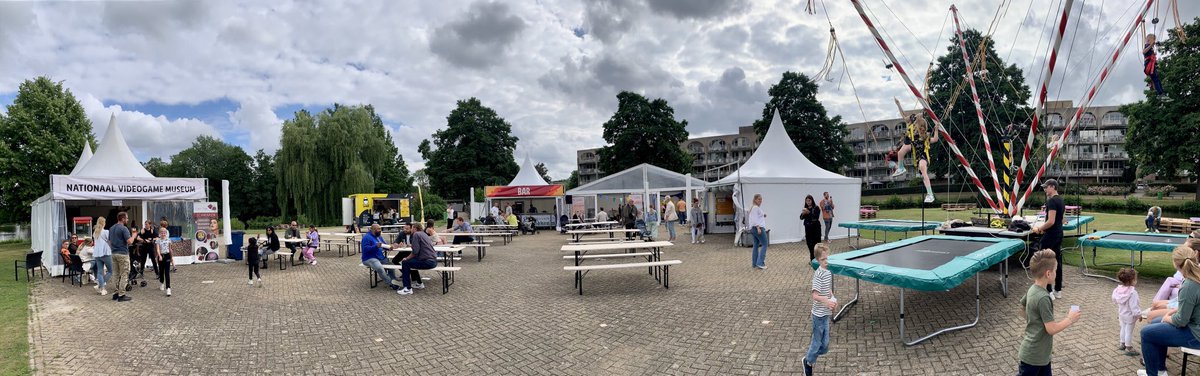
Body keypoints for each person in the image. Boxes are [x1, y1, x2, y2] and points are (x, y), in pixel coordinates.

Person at [1017, 249, 1081, 376]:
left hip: (1041, 355)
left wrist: (1034, 323)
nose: (1056, 273)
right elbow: (1051, 329)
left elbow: (1022, 308)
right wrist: (1070, 319)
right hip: (1033, 357)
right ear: (1048, 273)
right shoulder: (1043, 298)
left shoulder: (1032, 289)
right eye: (1055, 270)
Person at [1139, 245, 1200, 376]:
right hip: (1195, 324)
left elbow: (1181, 321)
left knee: (1146, 333)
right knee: (1155, 323)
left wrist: (1167, 317)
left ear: (1175, 263)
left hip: (1196, 335)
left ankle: (1153, 374)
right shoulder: (1196, 276)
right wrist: (1173, 312)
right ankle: (1160, 371)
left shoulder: (1189, 284)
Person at [890, 104, 940, 203]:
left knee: (922, 168)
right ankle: (901, 167)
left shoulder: (925, 137)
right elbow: (906, 118)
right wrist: (898, 104)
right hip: (916, 157)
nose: (914, 129)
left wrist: (936, 130)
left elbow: (935, 139)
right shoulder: (913, 137)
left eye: (916, 128)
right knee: (900, 153)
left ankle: (930, 194)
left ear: (920, 128)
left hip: (923, 157)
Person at [804, 243, 836, 376]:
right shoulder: (818, 275)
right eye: (823, 259)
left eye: (827, 258)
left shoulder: (828, 272)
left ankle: (809, 358)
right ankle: (808, 362)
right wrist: (826, 301)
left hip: (826, 315)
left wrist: (832, 298)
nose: (826, 261)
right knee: (817, 343)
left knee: (825, 345)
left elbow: (827, 289)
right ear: (817, 260)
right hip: (818, 316)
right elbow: (815, 295)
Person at [1033, 179, 1065, 299]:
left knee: (1045, 262)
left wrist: (1040, 228)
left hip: (1050, 235)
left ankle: (1048, 291)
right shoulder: (1061, 200)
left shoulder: (1051, 201)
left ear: (1052, 187)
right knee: (1057, 262)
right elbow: (1061, 219)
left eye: (1046, 187)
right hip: (1059, 234)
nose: (1045, 190)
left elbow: (1051, 221)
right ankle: (1058, 290)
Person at [397, 222, 438, 296]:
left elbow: (415, 252)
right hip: (434, 261)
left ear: (415, 228)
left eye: (412, 228)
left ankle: (407, 288)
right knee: (411, 262)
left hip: (428, 262)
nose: (412, 230)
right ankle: (419, 283)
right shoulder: (424, 234)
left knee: (405, 263)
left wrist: (406, 258)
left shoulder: (416, 234)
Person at [1112, 268, 1146, 357]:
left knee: (1123, 328)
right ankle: (1129, 347)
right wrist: (1139, 315)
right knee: (1129, 331)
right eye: (1135, 279)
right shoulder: (1132, 293)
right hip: (1130, 316)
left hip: (1121, 314)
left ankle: (1122, 344)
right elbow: (1134, 307)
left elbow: (1114, 299)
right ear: (1132, 280)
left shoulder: (1117, 289)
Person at [361, 224, 402, 291]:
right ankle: (391, 284)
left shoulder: (379, 236)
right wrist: (375, 246)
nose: (380, 231)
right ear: (373, 230)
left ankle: (393, 279)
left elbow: (384, 245)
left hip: (380, 257)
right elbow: (365, 249)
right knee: (380, 268)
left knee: (391, 265)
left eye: (380, 229)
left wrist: (389, 247)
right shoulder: (366, 237)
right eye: (378, 229)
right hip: (369, 258)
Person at [108, 212, 135, 302]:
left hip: (113, 253)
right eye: (126, 218)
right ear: (123, 219)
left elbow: (109, 242)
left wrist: (113, 248)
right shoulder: (124, 228)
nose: (127, 220)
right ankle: (121, 294)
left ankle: (115, 293)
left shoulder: (111, 228)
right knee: (124, 273)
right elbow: (129, 242)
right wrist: (134, 235)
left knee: (115, 274)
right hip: (123, 254)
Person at [92, 217, 112, 296]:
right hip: (105, 252)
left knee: (100, 272)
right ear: (104, 223)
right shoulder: (106, 232)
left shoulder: (95, 232)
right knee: (110, 270)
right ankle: (101, 286)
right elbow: (110, 241)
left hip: (97, 253)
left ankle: (102, 288)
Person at [749, 194, 768, 269]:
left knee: (756, 245)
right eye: (759, 199)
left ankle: (754, 263)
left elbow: (757, 216)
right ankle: (760, 263)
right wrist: (758, 227)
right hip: (758, 228)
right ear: (755, 200)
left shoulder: (754, 207)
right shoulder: (755, 208)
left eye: (761, 199)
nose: (760, 200)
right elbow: (754, 219)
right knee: (765, 244)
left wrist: (763, 215)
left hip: (754, 228)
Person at [153, 227, 173, 296]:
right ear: (160, 233)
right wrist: (159, 256)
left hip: (167, 256)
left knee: (167, 273)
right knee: (161, 271)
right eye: (162, 233)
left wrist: (171, 258)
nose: (163, 234)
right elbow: (158, 249)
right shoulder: (158, 240)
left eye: (164, 233)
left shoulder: (169, 240)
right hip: (161, 256)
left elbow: (170, 249)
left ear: (166, 233)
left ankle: (168, 288)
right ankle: (161, 282)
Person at [136, 221, 157, 286]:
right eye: (145, 224)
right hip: (144, 247)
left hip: (150, 247)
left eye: (147, 224)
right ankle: (141, 273)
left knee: (153, 260)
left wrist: (151, 239)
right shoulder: (143, 230)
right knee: (143, 260)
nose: (145, 225)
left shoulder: (152, 231)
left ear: (150, 225)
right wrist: (144, 240)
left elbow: (157, 237)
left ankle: (157, 274)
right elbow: (138, 237)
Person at [801, 195, 822, 261]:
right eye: (806, 201)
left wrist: (809, 212)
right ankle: (812, 259)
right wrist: (803, 213)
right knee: (809, 244)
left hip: (816, 229)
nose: (808, 202)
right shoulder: (805, 208)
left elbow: (816, 217)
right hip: (808, 229)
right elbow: (801, 218)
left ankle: (818, 259)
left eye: (809, 200)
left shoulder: (816, 208)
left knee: (817, 244)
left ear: (812, 200)